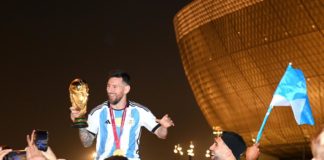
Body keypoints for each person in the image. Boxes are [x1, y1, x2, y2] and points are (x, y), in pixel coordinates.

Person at [70, 70, 175, 160]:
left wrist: (164, 127)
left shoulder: (140, 111)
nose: (110, 90)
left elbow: (161, 134)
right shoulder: (97, 112)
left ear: (126, 89)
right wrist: (80, 121)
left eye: (115, 87)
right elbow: (86, 142)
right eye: (108, 86)